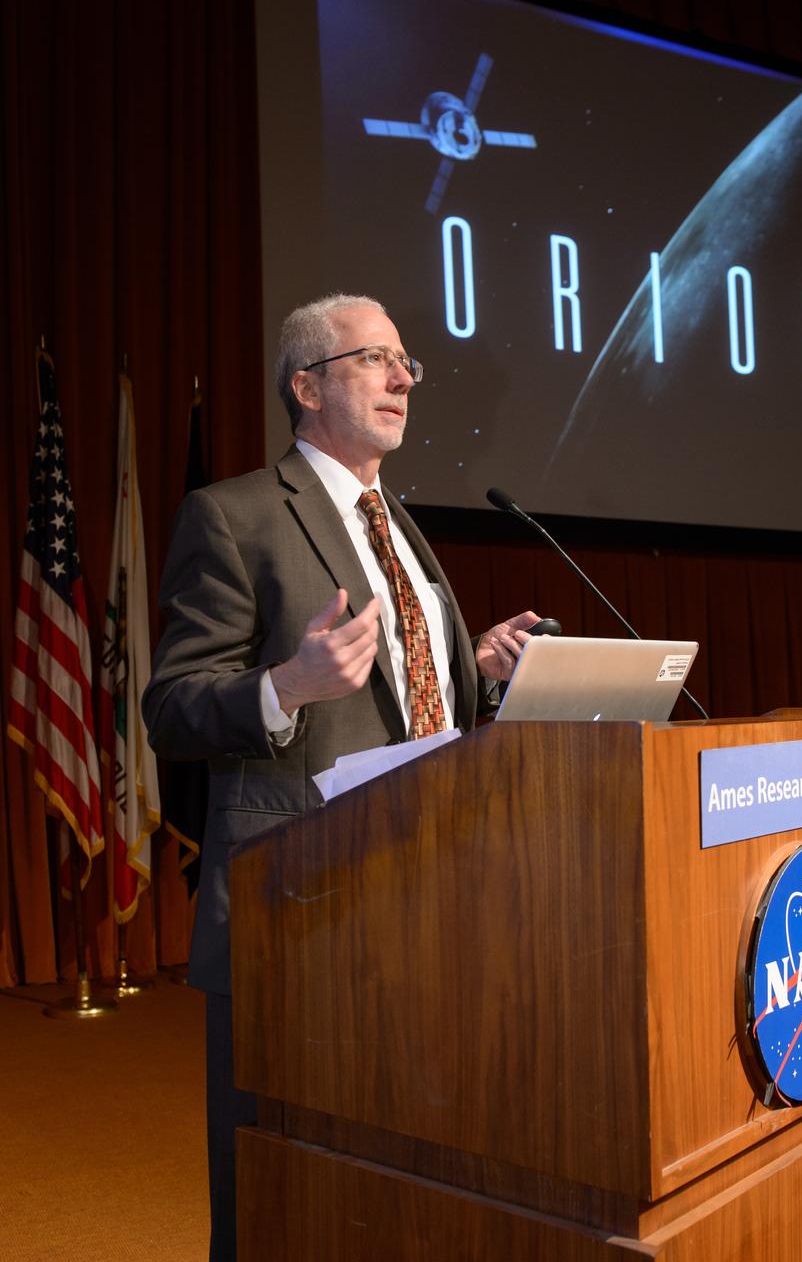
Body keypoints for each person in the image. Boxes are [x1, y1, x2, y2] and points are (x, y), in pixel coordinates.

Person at [142, 293, 538, 1262]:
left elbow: (406, 699)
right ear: (307, 386)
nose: (405, 379)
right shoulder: (234, 513)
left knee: (402, 1163)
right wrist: (286, 684)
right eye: (377, 359)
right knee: (278, 1180)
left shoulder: (399, 522)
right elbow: (171, 705)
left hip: (435, 882)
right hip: (301, 895)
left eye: (407, 363)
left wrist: (468, 668)